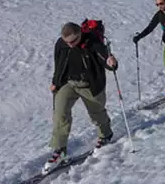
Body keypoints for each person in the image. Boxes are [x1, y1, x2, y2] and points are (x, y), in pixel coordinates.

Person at [45, 22, 118, 172]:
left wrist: (111, 63)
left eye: (73, 41)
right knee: (60, 114)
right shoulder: (61, 44)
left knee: (96, 113)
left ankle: (105, 135)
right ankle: (60, 150)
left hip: (89, 85)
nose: (70, 45)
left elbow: (105, 58)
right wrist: (55, 83)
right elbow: (59, 64)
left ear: (80, 34)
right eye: (67, 42)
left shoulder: (93, 43)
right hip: (68, 83)